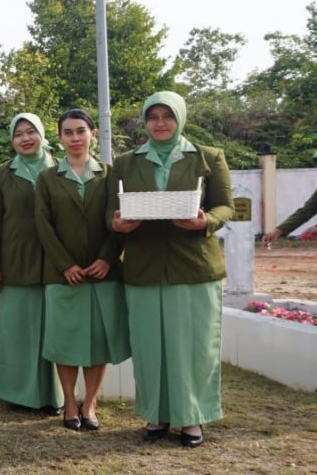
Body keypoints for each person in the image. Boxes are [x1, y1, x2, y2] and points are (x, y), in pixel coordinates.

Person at [109, 91, 234, 447]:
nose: (160, 123)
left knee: (193, 346)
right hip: (144, 266)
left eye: (167, 116)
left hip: (194, 266)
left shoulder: (209, 157)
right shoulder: (126, 162)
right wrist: (117, 224)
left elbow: (226, 207)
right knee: (150, 345)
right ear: (145, 122)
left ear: (180, 118)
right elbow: (109, 211)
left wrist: (206, 220)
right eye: (153, 116)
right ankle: (157, 414)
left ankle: (192, 417)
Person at [35, 109, 130, 430]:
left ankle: (89, 404)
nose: (74, 138)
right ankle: (70, 404)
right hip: (63, 275)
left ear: (92, 133)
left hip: (103, 273)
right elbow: (43, 226)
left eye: (80, 131)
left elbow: (120, 221)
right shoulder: (48, 178)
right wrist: (65, 264)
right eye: (67, 132)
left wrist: (107, 257)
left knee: (98, 342)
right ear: (59, 138)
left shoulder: (110, 174)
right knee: (65, 340)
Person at [0, 114, 64, 415]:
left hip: (56, 262)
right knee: (17, 331)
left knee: (52, 331)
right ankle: (19, 394)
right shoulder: (1, 174)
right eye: (19, 134)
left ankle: (54, 396)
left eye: (31, 132)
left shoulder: (60, 169)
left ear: (42, 135)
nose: (25, 139)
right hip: (15, 262)